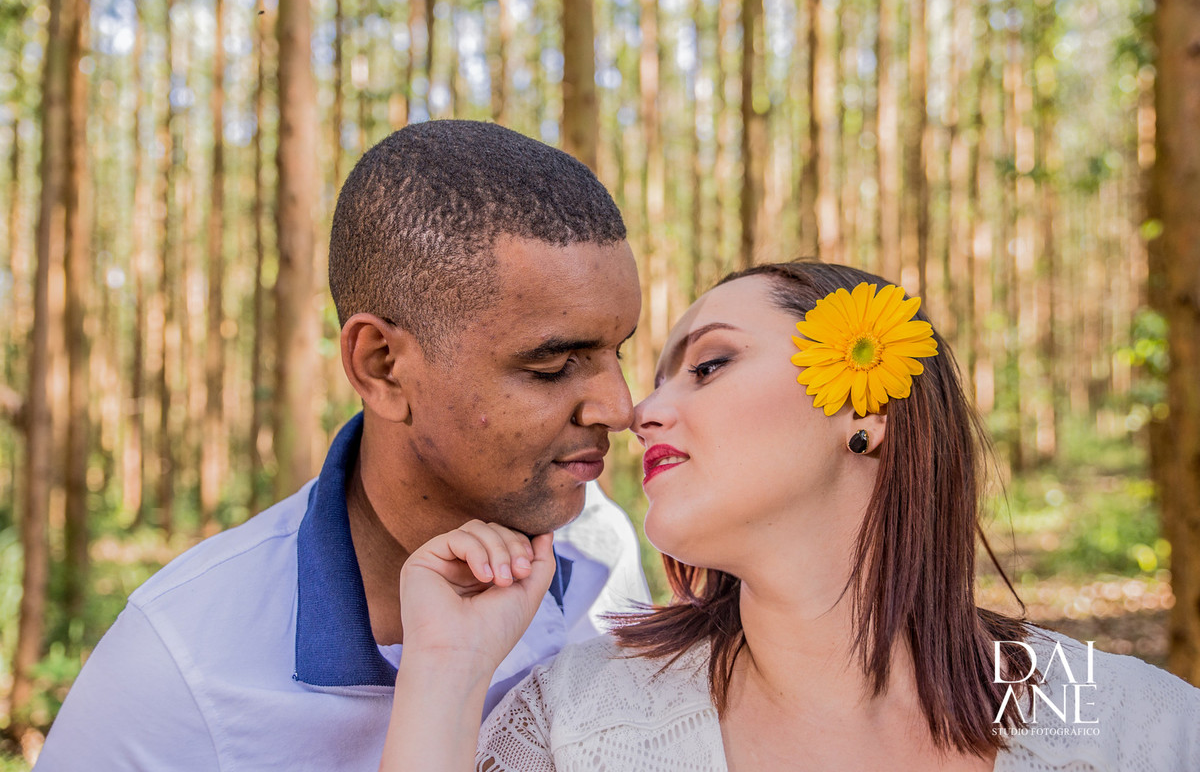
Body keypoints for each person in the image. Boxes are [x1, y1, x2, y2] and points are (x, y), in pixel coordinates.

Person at [385, 261, 1200, 771]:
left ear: (868, 402)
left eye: (709, 365)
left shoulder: (1135, 727)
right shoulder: (577, 722)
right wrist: (446, 673)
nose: (640, 412)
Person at [35, 120, 651, 771]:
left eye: (618, 351)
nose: (619, 407)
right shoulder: (180, 674)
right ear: (383, 366)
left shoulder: (600, 552)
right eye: (553, 364)